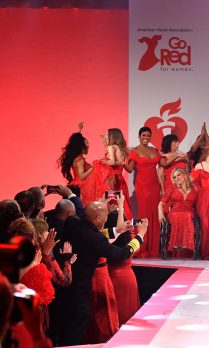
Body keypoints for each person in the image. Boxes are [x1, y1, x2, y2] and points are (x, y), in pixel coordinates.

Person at [57, 202, 146, 346]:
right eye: (105, 216)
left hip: (63, 286)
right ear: (98, 219)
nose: (106, 219)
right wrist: (140, 236)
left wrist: (117, 230)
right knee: (75, 331)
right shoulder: (95, 239)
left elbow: (94, 233)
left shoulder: (73, 222)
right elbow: (122, 253)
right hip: (80, 290)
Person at [125, 126, 162, 257]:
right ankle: (142, 246)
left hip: (155, 186)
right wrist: (121, 161)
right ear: (139, 137)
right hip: (142, 187)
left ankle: (153, 248)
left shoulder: (155, 150)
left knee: (154, 215)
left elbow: (162, 164)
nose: (146, 138)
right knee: (143, 214)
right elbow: (129, 169)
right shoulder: (134, 151)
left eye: (148, 136)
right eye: (143, 136)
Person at [107, 195, 141, 327]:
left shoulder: (104, 241)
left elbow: (116, 230)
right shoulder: (131, 242)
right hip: (127, 279)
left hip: (109, 277)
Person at [58, 122, 110, 206]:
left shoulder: (77, 157)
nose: (88, 145)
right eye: (87, 144)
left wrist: (79, 130)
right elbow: (81, 176)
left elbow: (77, 140)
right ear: (81, 147)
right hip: (82, 186)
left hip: (79, 184)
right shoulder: (80, 160)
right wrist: (92, 169)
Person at [159, 168, 197, 255]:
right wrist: (160, 214)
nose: (177, 178)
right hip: (174, 213)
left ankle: (185, 243)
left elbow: (200, 201)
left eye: (178, 175)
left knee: (188, 215)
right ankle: (180, 243)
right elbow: (161, 203)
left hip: (190, 213)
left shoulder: (195, 188)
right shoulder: (172, 189)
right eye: (174, 177)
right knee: (183, 215)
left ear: (185, 175)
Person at [102, 128, 132, 219]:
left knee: (112, 202)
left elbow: (113, 161)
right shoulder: (122, 148)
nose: (105, 136)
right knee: (120, 202)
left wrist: (102, 162)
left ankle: (116, 224)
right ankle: (127, 225)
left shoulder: (111, 147)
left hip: (112, 179)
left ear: (112, 136)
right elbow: (120, 162)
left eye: (107, 135)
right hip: (119, 179)